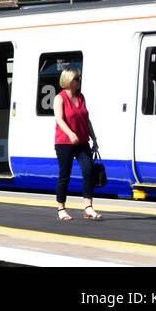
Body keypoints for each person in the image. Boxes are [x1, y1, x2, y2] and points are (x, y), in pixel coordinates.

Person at [52, 68, 101, 221]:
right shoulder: (60, 98)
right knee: (65, 175)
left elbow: (86, 119)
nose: (79, 81)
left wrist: (94, 138)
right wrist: (70, 133)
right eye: (76, 79)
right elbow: (59, 119)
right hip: (64, 143)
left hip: (82, 142)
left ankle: (88, 207)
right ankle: (61, 208)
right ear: (68, 81)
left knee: (89, 170)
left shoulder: (81, 97)